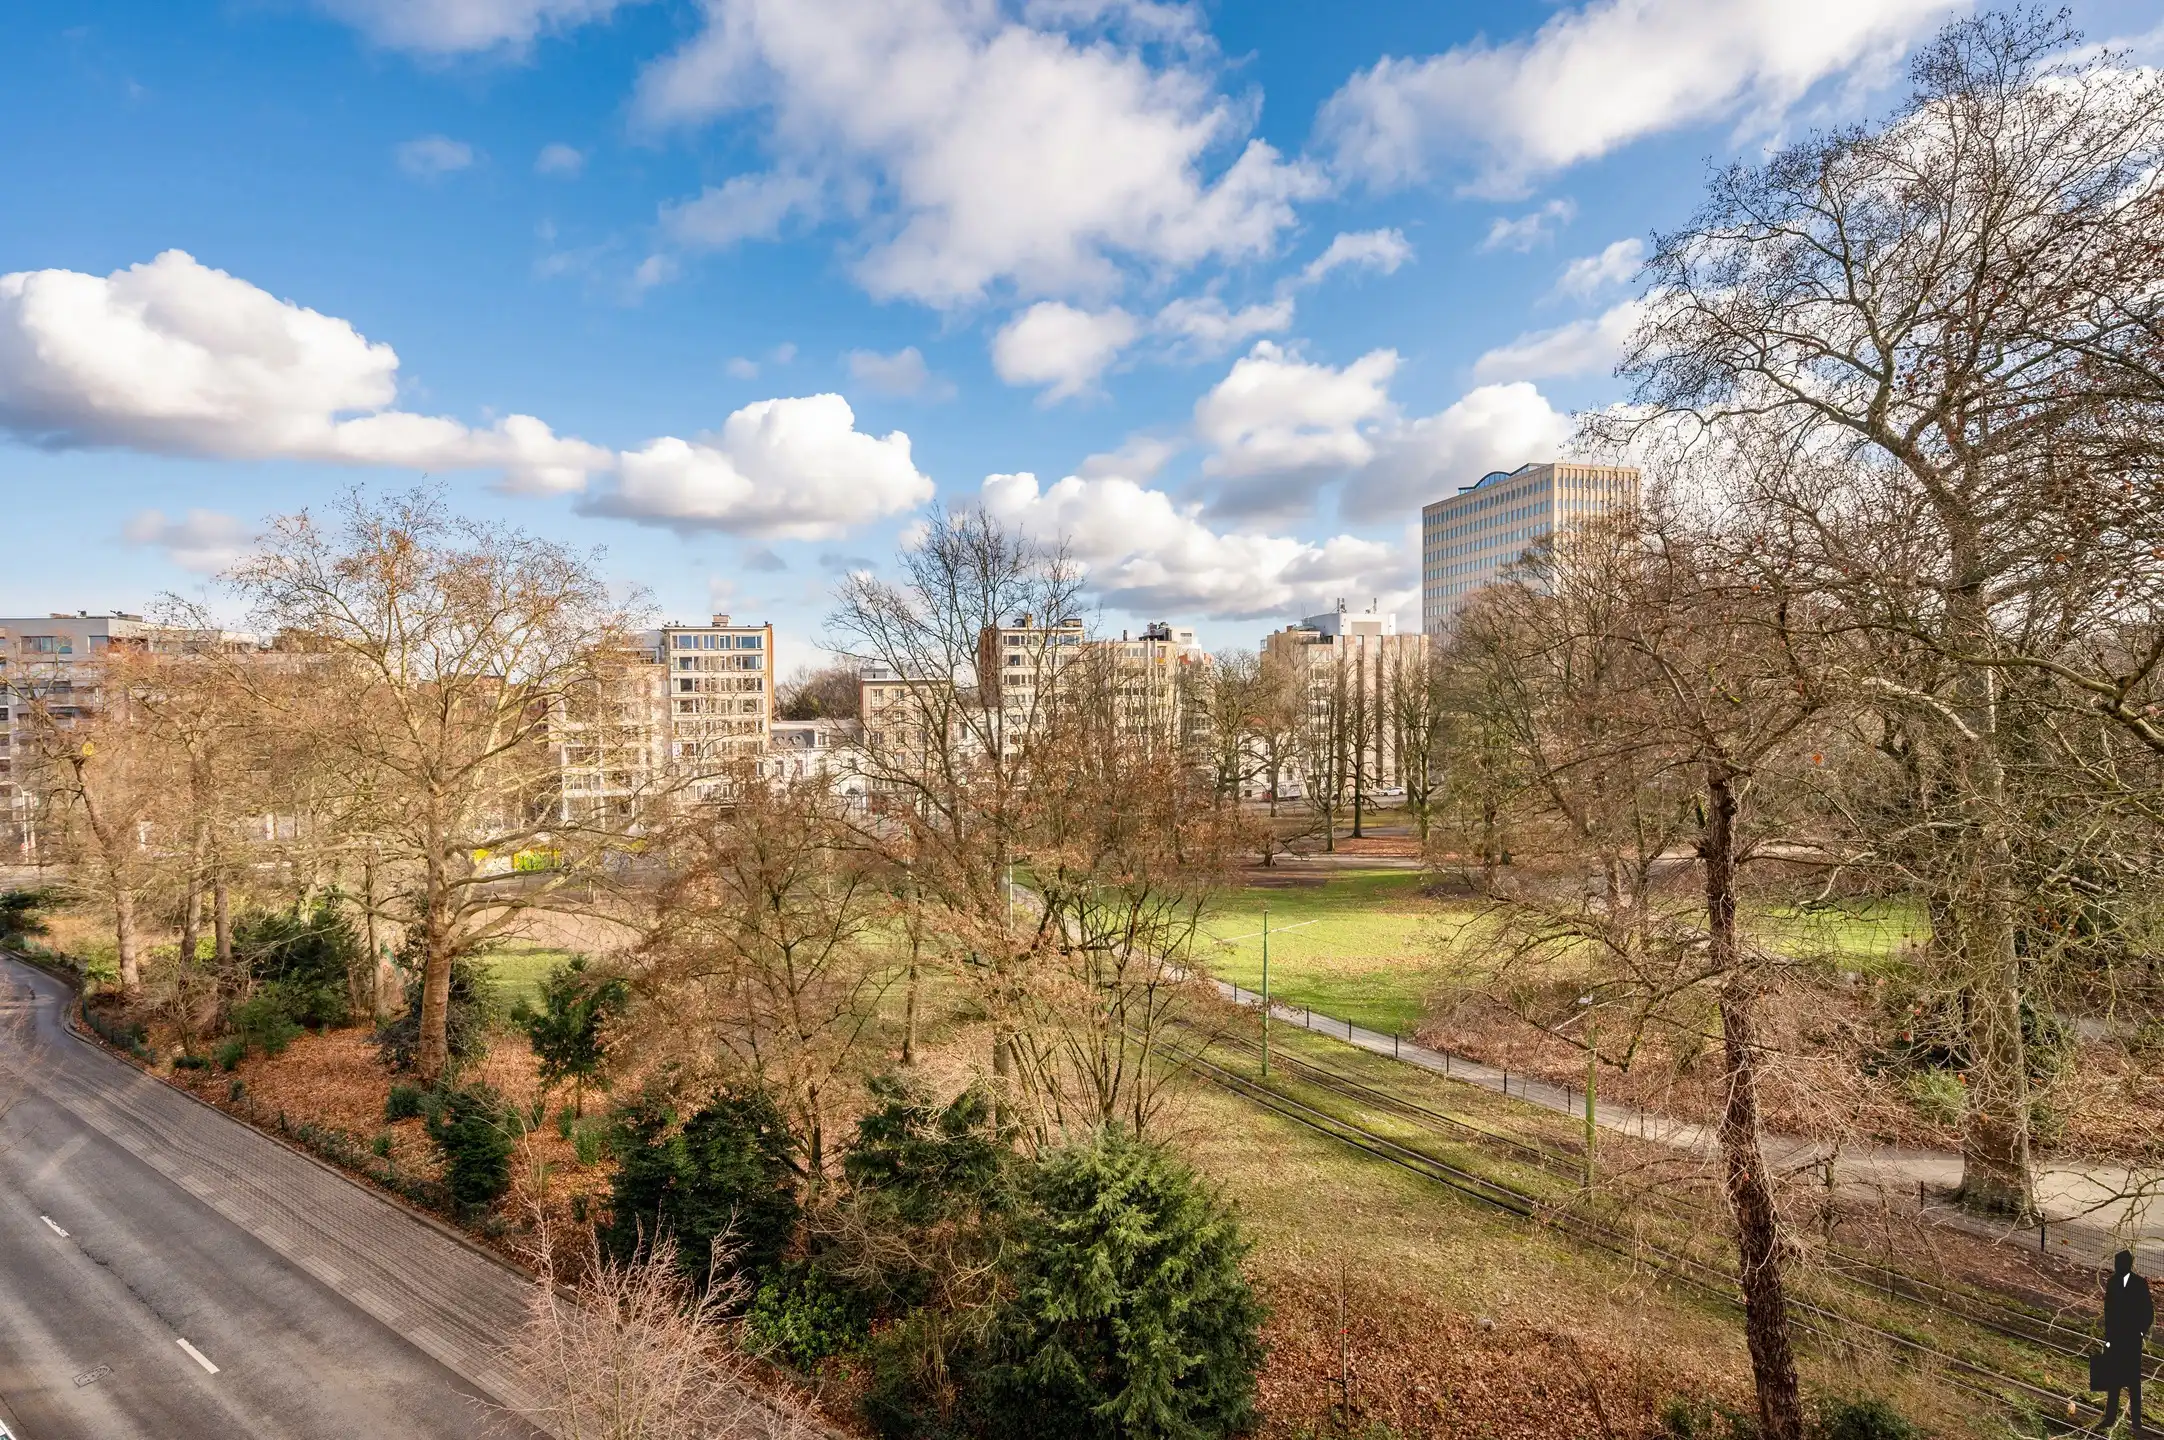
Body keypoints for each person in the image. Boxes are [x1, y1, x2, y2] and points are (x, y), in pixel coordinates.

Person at [2099, 1249, 2153, 1436]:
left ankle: (2136, 1422)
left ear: (2127, 1265)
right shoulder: (2113, 1283)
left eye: (2119, 1264)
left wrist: (2140, 1332)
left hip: (2131, 1340)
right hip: (2116, 1340)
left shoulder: (2139, 1284)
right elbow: (2108, 1312)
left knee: (2133, 1382)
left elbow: (2148, 1312)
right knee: (2114, 1380)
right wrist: (2108, 1339)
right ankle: (2110, 1418)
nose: (2117, 1267)